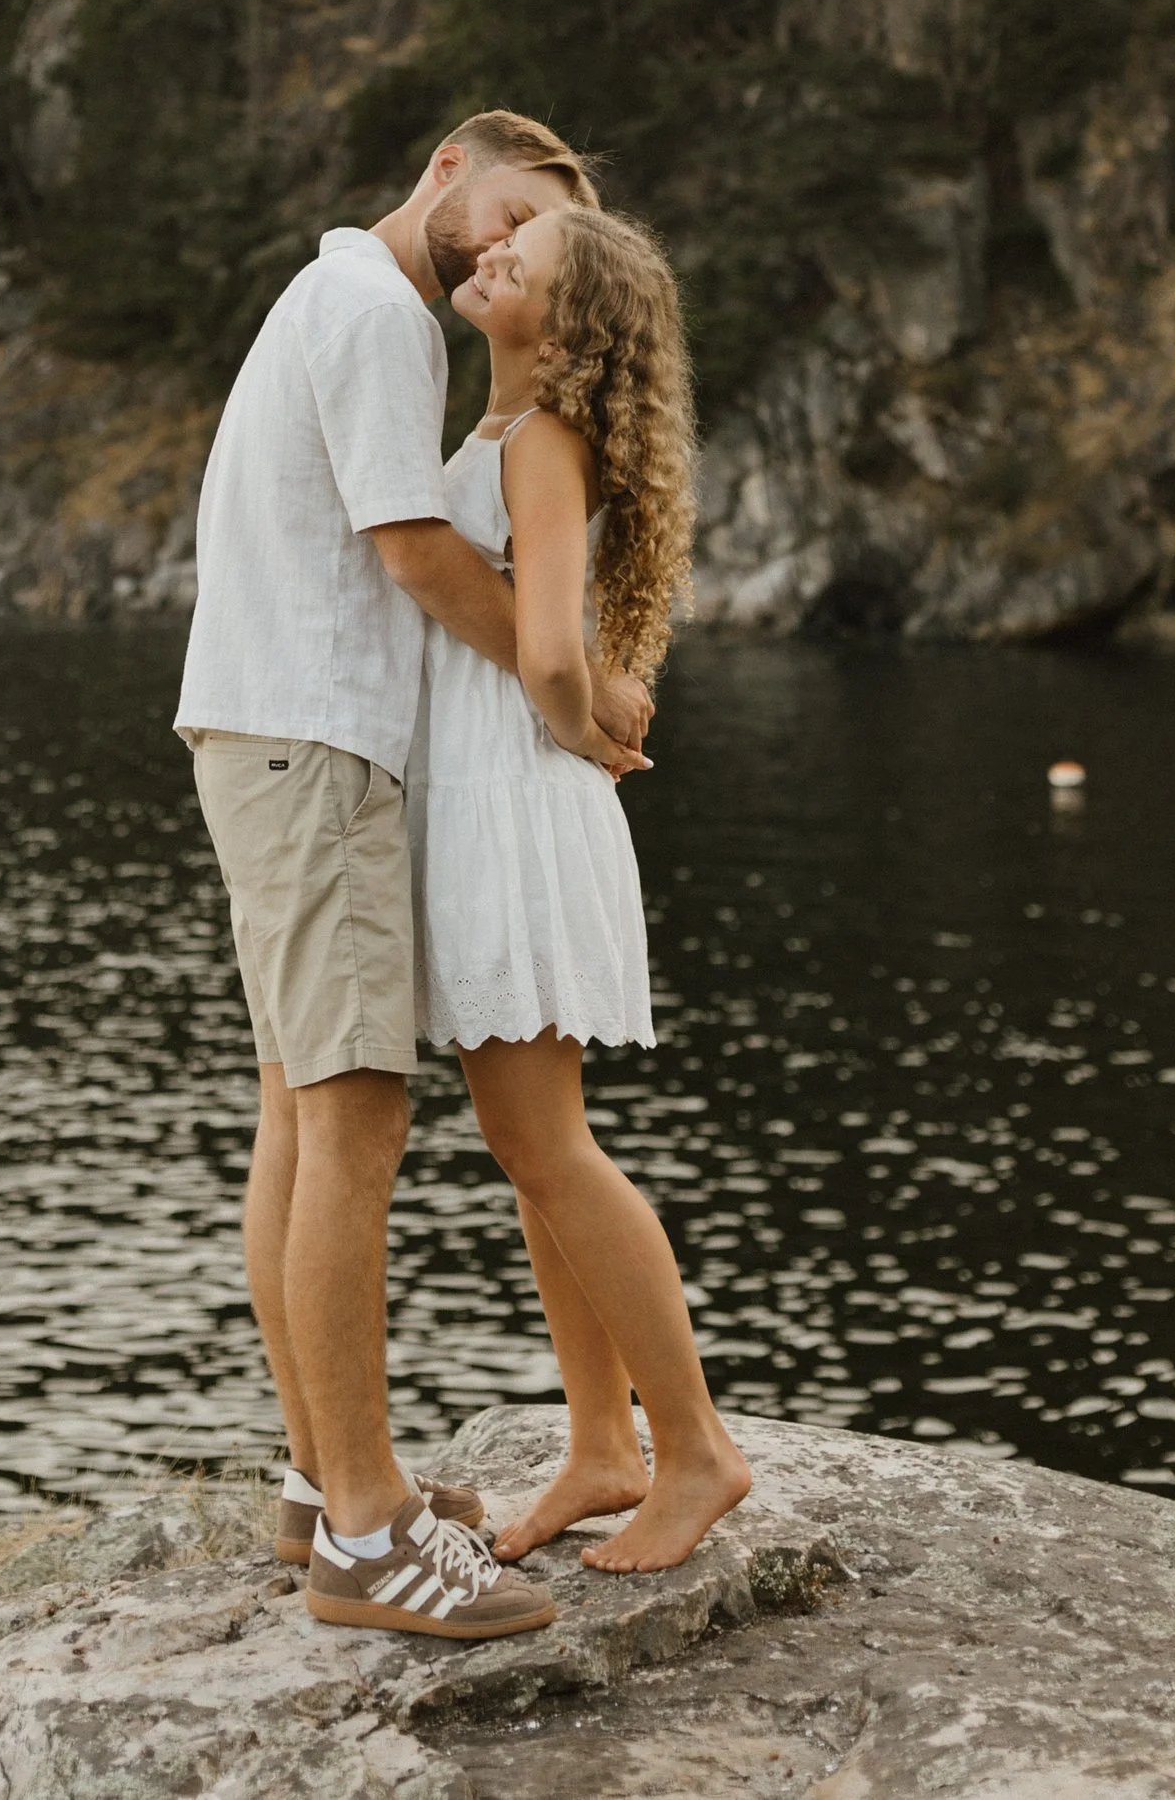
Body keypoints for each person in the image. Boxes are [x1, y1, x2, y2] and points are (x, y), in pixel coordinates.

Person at [174, 111, 651, 1641]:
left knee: (298, 1115)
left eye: (538, 240)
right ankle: (369, 1536)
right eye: (510, 207)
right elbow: (412, 551)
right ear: (452, 163)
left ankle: (327, 1484)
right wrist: (582, 686)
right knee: (354, 1126)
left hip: (273, 729)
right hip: (314, 741)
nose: (505, 243)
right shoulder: (384, 313)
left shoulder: (336, 299)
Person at [416, 202, 751, 1571]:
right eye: (500, 241)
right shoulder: (510, 431)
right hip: (500, 791)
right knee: (528, 1146)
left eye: (523, 259)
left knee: (547, 1144)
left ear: (565, 325)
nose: (488, 252)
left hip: (516, 797)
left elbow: (550, 646)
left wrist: (580, 725)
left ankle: (695, 1453)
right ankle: (604, 1445)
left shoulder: (543, 436)